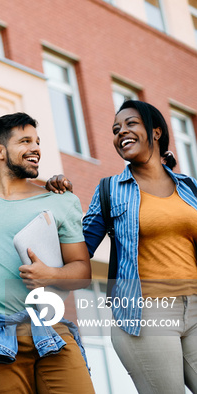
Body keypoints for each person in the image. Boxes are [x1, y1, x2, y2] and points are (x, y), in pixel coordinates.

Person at [0, 112, 94, 393]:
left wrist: (50, 274)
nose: (36, 148)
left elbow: (82, 272)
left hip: (51, 331)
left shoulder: (61, 201)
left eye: (38, 141)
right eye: (25, 141)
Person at [82, 100, 197, 393]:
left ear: (155, 132)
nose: (121, 132)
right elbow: (80, 248)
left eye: (130, 124)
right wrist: (59, 202)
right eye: (116, 129)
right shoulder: (110, 190)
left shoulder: (190, 187)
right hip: (145, 314)